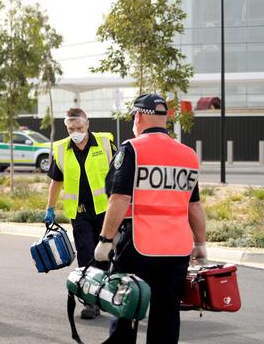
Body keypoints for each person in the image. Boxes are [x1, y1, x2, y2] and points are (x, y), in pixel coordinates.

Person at [94, 93, 207, 344]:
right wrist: (200, 243)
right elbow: (195, 205)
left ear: (139, 116)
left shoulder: (132, 149)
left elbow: (119, 199)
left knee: (126, 305)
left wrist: (105, 240)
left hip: (138, 244)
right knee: (166, 313)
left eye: (134, 116)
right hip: (177, 248)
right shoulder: (188, 154)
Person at [43, 108, 115, 319]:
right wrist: (49, 207)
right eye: (70, 128)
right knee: (86, 256)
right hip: (80, 213)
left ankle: (106, 296)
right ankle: (90, 302)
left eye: (79, 128)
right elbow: (56, 181)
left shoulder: (104, 143)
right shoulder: (62, 149)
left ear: (87, 124)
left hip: (105, 211)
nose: (75, 132)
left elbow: (120, 173)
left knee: (105, 255)